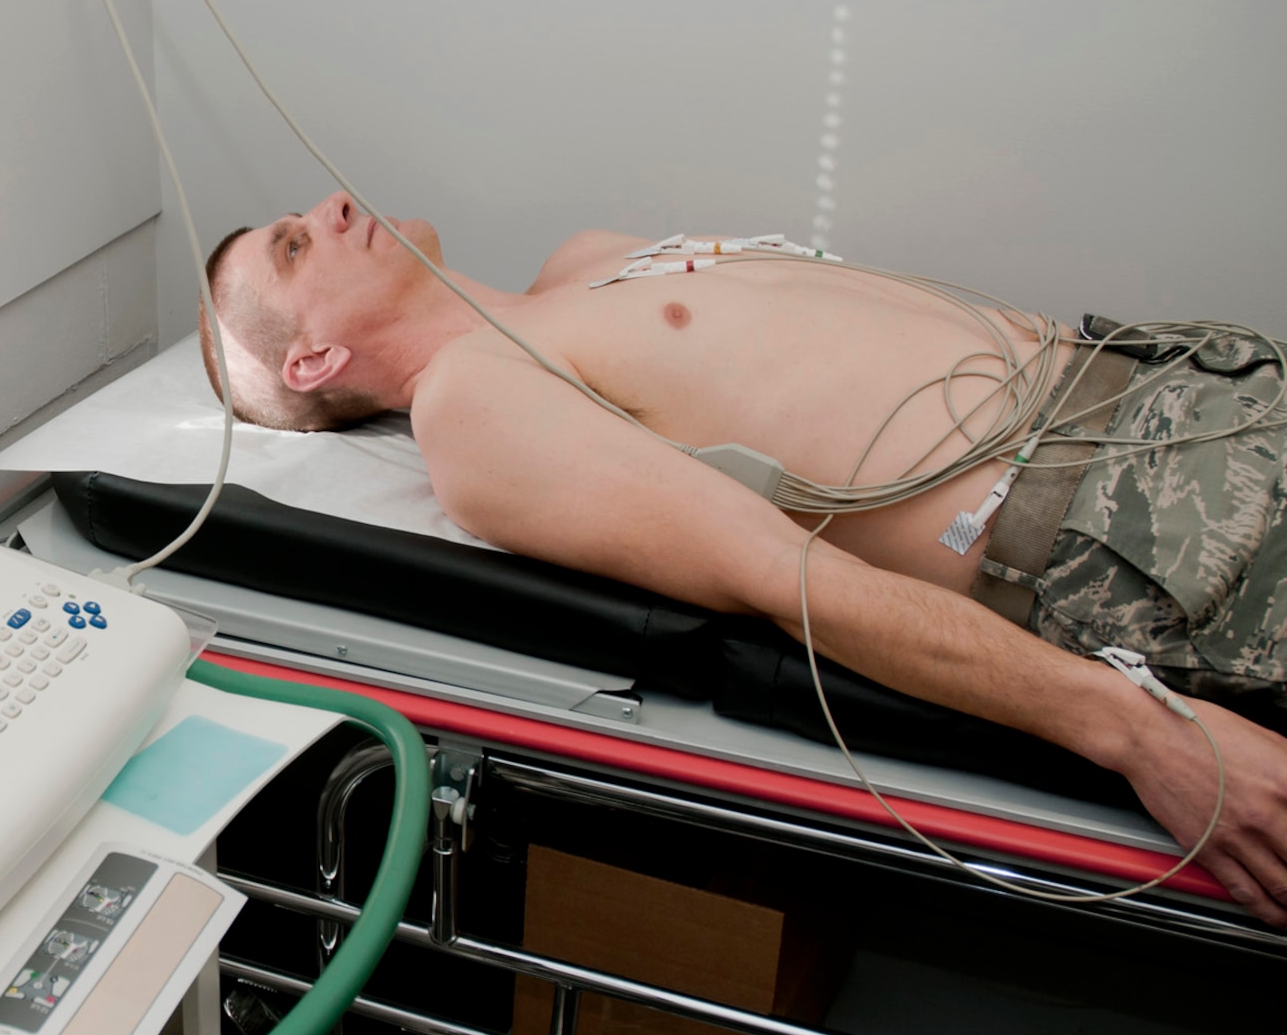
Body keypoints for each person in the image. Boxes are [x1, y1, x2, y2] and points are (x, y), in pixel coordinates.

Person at [199, 191, 1287, 925]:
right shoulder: (472, 407)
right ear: (313, 358)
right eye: (296, 246)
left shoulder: (581, 266)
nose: (333, 205)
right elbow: (793, 583)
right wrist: (1143, 734)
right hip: (1155, 521)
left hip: (1196, 383)